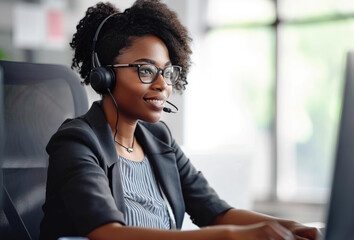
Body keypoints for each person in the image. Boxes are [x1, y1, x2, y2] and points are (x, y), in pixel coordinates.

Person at [40, 1, 320, 240]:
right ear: (105, 74)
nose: (164, 85)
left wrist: (293, 227)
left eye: (168, 72)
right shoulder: (76, 141)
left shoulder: (159, 138)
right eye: (147, 70)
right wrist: (231, 236)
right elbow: (107, 232)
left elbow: (215, 212)